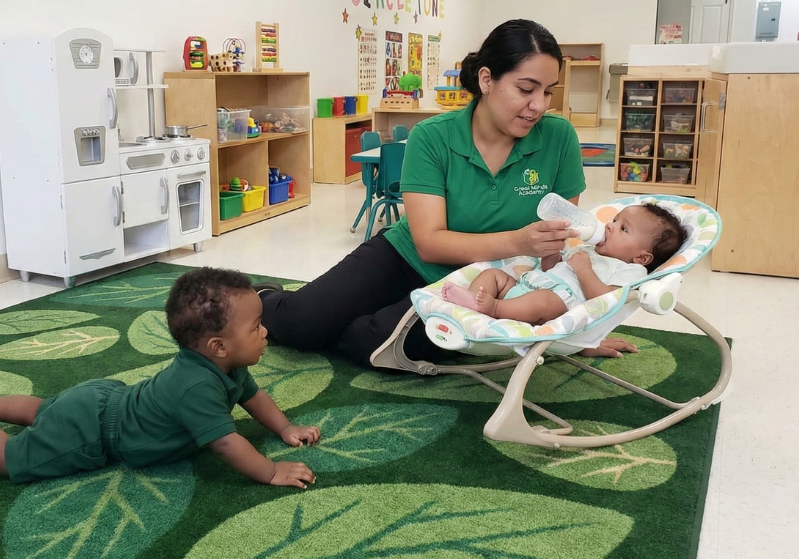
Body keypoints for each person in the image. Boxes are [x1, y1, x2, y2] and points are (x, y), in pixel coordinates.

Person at [258, 19, 637, 365]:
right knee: (299, 326)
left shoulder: (559, 138)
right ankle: (266, 297)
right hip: (405, 258)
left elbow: (558, 250)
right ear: (486, 79)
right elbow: (430, 244)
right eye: (525, 88)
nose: (538, 105)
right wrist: (520, 241)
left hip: (490, 280)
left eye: (548, 92)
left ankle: (347, 319)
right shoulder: (432, 137)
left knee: (377, 347)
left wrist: (569, 334)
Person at [0, 267, 321, 489]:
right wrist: (270, 471)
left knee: (45, 411)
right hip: (95, 432)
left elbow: (254, 397)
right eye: (257, 327)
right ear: (218, 346)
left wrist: (285, 427)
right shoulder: (197, 387)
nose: (266, 332)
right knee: (14, 458)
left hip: (104, 401)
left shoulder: (228, 367)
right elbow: (228, 443)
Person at [441, 202, 685, 324]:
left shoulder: (630, 270)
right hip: (526, 287)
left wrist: (584, 270)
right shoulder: (589, 250)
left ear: (642, 257)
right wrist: (552, 255)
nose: (609, 225)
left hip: (555, 305)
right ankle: (471, 300)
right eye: (613, 220)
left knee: (544, 301)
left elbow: (604, 300)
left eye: (622, 228)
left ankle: (492, 309)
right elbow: (550, 270)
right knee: (494, 275)